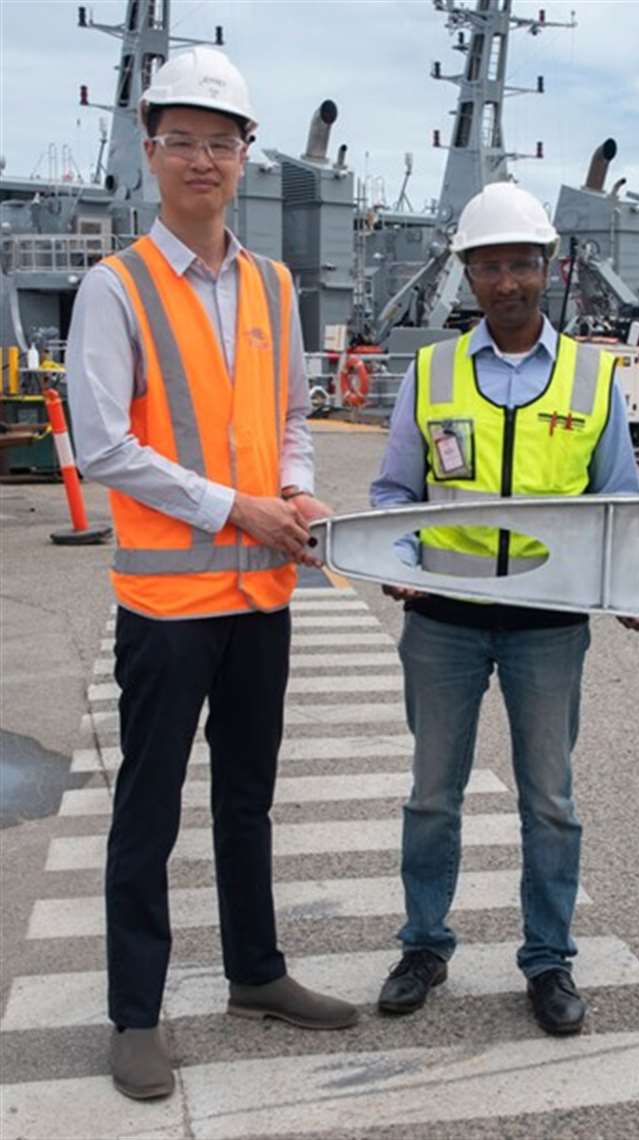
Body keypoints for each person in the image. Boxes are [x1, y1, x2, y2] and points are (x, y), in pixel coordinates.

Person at [68, 47, 357, 1101]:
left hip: (260, 598)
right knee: (146, 808)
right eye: (182, 140)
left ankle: (256, 972)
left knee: (248, 798)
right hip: (167, 606)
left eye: (221, 141)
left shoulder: (275, 286)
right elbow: (102, 445)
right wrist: (234, 507)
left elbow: (286, 422)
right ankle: (134, 1014)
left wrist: (297, 490)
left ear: (246, 158)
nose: (203, 158)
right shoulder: (117, 287)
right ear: (151, 154)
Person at [369, 181, 639, 1036]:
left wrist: (629, 591)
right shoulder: (430, 372)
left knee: (550, 801)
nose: (508, 281)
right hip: (444, 621)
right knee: (432, 795)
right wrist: (401, 563)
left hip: (548, 625)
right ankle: (424, 944)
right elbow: (394, 495)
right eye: (491, 265)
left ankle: (549, 960)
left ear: (549, 268)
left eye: (522, 264)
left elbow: (619, 502)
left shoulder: (590, 376)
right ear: (468, 272)